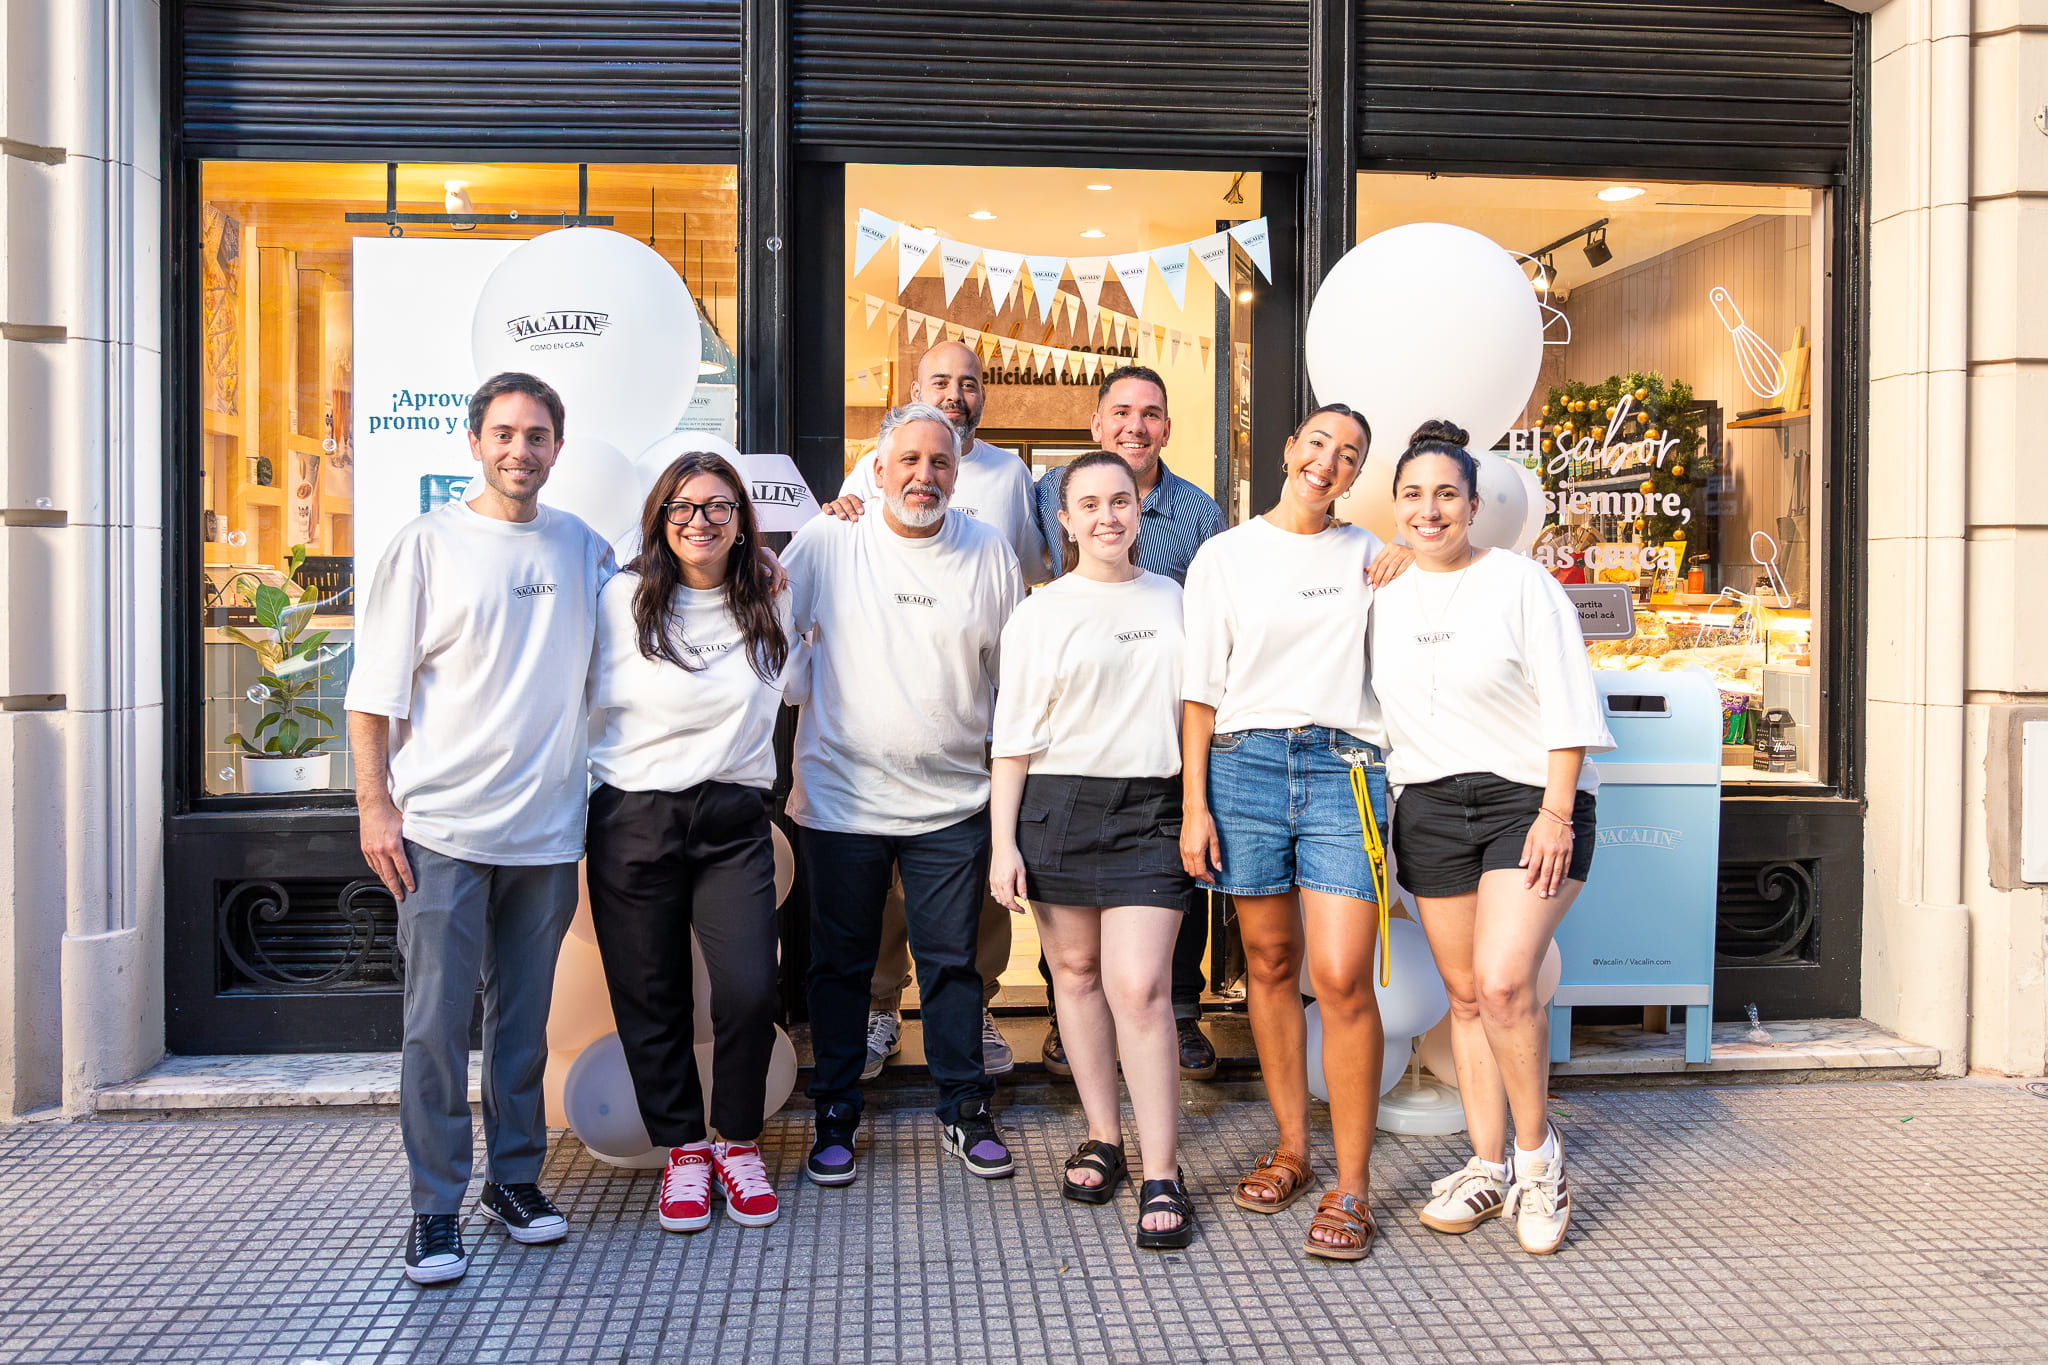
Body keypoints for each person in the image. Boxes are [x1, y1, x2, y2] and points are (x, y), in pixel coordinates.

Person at [347, 372, 615, 1285]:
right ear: (474, 443)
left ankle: (513, 1182)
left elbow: (655, 624)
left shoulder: (585, 548)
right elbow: (372, 695)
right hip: (444, 831)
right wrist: (374, 804)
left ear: (557, 448)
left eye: (537, 435)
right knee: (432, 1026)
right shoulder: (426, 545)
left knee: (522, 1026)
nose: (520, 450)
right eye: (504, 433)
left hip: (547, 832)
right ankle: (433, 1208)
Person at [1369, 419, 1615, 1257]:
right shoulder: (1383, 592)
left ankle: (1538, 1160)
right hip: (1430, 807)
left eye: (1446, 494)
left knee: (1508, 981)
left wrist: (1555, 810)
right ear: (1394, 505)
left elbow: (1567, 702)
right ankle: (1484, 1164)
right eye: (1413, 495)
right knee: (1467, 994)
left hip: (1527, 801)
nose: (1430, 509)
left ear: (1474, 504)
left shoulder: (1519, 582)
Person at [784, 401, 1023, 1185]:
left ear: (960, 471)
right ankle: (835, 1114)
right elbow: (775, 640)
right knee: (841, 966)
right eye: (910, 461)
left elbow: (1009, 679)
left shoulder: (988, 551)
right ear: (877, 469)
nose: (926, 476)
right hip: (842, 800)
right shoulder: (829, 538)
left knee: (952, 964)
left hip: (952, 801)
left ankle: (963, 1107)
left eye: (941, 462)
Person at [1179, 402, 1395, 1262]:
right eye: (1318, 443)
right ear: (1286, 447)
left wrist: (1417, 559)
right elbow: (1200, 689)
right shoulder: (1223, 556)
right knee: (1268, 964)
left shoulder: (1375, 556)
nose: (1330, 461)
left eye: (1349, 454)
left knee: (1341, 975)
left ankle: (1353, 1184)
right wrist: (1195, 803)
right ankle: (1294, 1150)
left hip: (1348, 769)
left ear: (1356, 474)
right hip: (1244, 766)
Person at [822, 340, 1046, 1083]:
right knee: (879, 901)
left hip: (965, 722)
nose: (957, 393)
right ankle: (881, 1007)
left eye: (970, 383)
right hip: (867, 743)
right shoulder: (870, 467)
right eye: (942, 381)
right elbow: (842, 542)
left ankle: (968, 1011)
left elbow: (1015, 590)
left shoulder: (1011, 476)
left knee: (970, 897)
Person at [989, 451, 1195, 1250]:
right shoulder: (1041, 612)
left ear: (1139, 507)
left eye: (1121, 500)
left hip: (1151, 805)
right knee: (1073, 975)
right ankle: (1105, 1135)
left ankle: (1162, 1169)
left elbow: (1197, 711)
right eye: (1089, 504)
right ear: (1064, 520)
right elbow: (1013, 739)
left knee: (1139, 987)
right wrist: (1003, 841)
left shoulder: (1175, 599)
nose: (1107, 515)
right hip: (1059, 804)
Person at [584, 451, 794, 1234]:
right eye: (681, 507)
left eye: (716, 507)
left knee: (747, 989)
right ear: (658, 518)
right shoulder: (617, 599)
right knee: (650, 992)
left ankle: (736, 1141)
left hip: (733, 816)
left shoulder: (771, 595)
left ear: (742, 521)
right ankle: (682, 1148)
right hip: (632, 815)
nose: (698, 521)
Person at [1026, 366, 1226, 1083]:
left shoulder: (1200, 515)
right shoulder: (1047, 491)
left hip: (1165, 741)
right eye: (1120, 412)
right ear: (1096, 423)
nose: (1134, 425)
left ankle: (1180, 1013)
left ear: (1166, 428)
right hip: (1077, 734)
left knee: (1177, 885)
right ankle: (1068, 1024)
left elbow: (1219, 618)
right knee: (1075, 948)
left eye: (1150, 413)